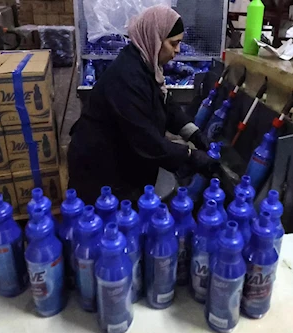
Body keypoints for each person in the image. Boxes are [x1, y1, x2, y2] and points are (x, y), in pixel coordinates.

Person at [68, 5, 218, 204]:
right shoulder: (127, 78)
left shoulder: (146, 65)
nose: (177, 51)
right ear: (155, 39)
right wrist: (190, 156)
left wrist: (194, 134)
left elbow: (165, 103)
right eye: (173, 43)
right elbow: (146, 140)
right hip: (100, 171)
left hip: (120, 161)